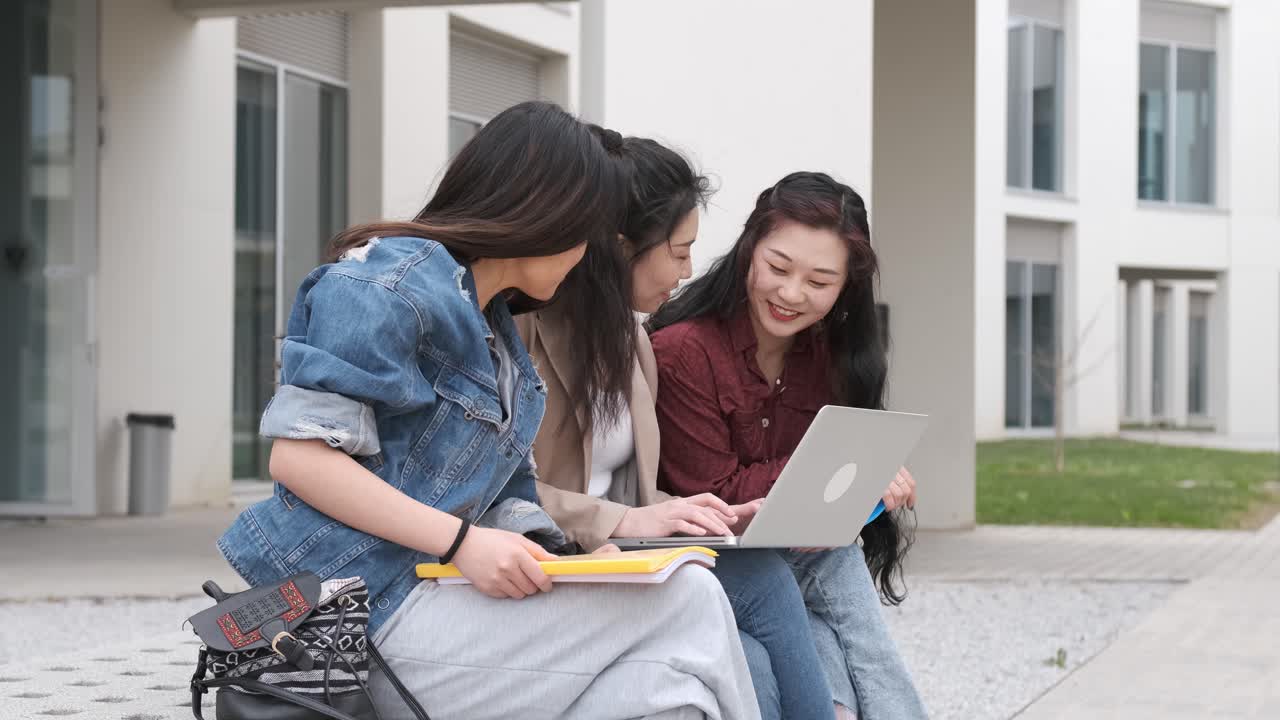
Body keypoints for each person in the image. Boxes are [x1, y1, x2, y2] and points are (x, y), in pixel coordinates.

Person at [216, 102, 760, 720]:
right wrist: (462, 542)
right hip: (361, 624)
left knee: (671, 697)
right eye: (584, 234)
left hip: (438, 601)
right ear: (546, 215)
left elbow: (505, 495)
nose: (587, 257)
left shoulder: (496, 330)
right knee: (690, 596)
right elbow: (300, 458)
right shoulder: (382, 287)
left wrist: (569, 559)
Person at [518, 137, 834, 720]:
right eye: (680, 250)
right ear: (621, 248)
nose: (688, 270)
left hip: (622, 551)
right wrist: (632, 519)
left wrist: (708, 513)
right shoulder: (527, 333)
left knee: (756, 648)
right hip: (552, 558)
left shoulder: (630, 342)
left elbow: (632, 494)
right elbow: (500, 494)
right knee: (761, 595)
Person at [648, 171, 929, 720]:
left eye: (820, 282)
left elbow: (815, 495)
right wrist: (846, 471)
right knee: (838, 568)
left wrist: (865, 476)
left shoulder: (830, 356)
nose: (791, 293)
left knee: (829, 606)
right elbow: (718, 496)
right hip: (709, 555)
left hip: (792, 553)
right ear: (750, 248)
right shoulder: (683, 350)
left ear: (846, 287)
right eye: (778, 268)